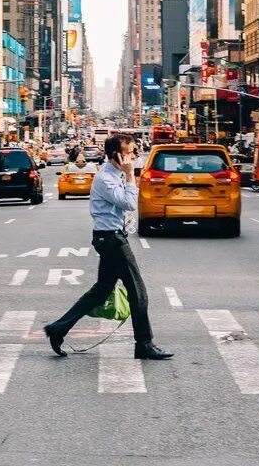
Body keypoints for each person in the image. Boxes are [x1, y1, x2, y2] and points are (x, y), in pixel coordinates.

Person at [43, 134, 173, 360]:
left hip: (112, 237)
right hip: (111, 240)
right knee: (138, 292)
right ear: (116, 156)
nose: (134, 156)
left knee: (101, 291)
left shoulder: (116, 174)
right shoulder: (106, 178)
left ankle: (58, 329)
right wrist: (131, 175)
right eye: (130, 152)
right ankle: (144, 343)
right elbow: (129, 203)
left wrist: (128, 175)